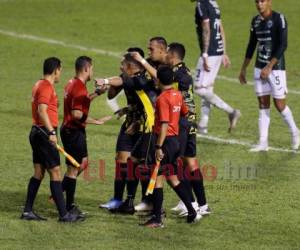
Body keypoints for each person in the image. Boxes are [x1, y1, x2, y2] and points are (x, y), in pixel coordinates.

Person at [21, 57, 81, 222]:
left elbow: (46, 107)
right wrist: (51, 133)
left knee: (39, 173)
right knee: (55, 172)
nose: (60, 73)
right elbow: (42, 111)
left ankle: (27, 211)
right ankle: (64, 214)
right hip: (44, 133)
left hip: (37, 132)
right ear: (56, 70)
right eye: (60, 70)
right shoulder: (46, 86)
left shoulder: (38, 84)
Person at [141, 66, 201, 228]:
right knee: (172, 177)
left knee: (158, 179)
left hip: (165, 141)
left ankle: (157, 219)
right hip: (175, 141)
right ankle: (191, 210)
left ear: (157, 80)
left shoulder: (162, 98)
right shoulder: (178, 95)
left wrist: (158, 147)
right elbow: (185, 112)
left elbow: (165, 124)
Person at [98, 48, 157, 214]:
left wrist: (105, 80)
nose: (120, 65)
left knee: (143, 164)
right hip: (132, 123)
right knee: (123, 160)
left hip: (144, 126)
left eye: (123, 62)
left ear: (132, 65)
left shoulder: (141, 79)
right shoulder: (129, 78)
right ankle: (120, 199)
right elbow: (112, 95)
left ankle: (149, 203)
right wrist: (127, 108)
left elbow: (150, 104)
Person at [239, 0, 300, 151]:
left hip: (276, 68)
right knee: (263, 104)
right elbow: (251, 45)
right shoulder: (255, 21)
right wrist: (243, 68)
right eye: (257, 1)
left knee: (279, 105)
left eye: (262, 1)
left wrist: (270, 66)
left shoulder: (279, 18)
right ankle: (263, 142)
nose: (259, 4)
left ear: (269, 2)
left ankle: (295, 132)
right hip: (260, 67)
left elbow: (283, 45)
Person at [60, 56, 110, 216]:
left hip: (74, 131)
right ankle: (69, 206)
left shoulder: (72, 83)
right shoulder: (79, 87)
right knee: (74, 168)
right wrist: (96, 121)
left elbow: (81, 101)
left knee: (83, 163)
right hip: (72, 131)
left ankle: (59, 190)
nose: (93, 72)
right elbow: (76, 113)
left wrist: (97, 93)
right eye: (92, 68)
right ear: (87, 69)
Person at [166, 42, 211, 216]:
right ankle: (202, 204)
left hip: (183, 122)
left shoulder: (177, 75)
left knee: (178, 162)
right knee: (189, 161)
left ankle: (190, 203)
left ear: (172, 55)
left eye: (166, 53)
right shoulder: (183, 71)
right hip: (190, 120)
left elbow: (164, 84)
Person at [193, 0, 241, 134]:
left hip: (211, 52)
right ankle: (203, 125)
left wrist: (205, 54)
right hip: (218, 50)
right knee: (207, 87)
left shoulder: (201, 4)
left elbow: (206, 28)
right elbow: (221, 28)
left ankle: (231, 111)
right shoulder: (214, 4)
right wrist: (224, 52)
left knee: (199, 88)